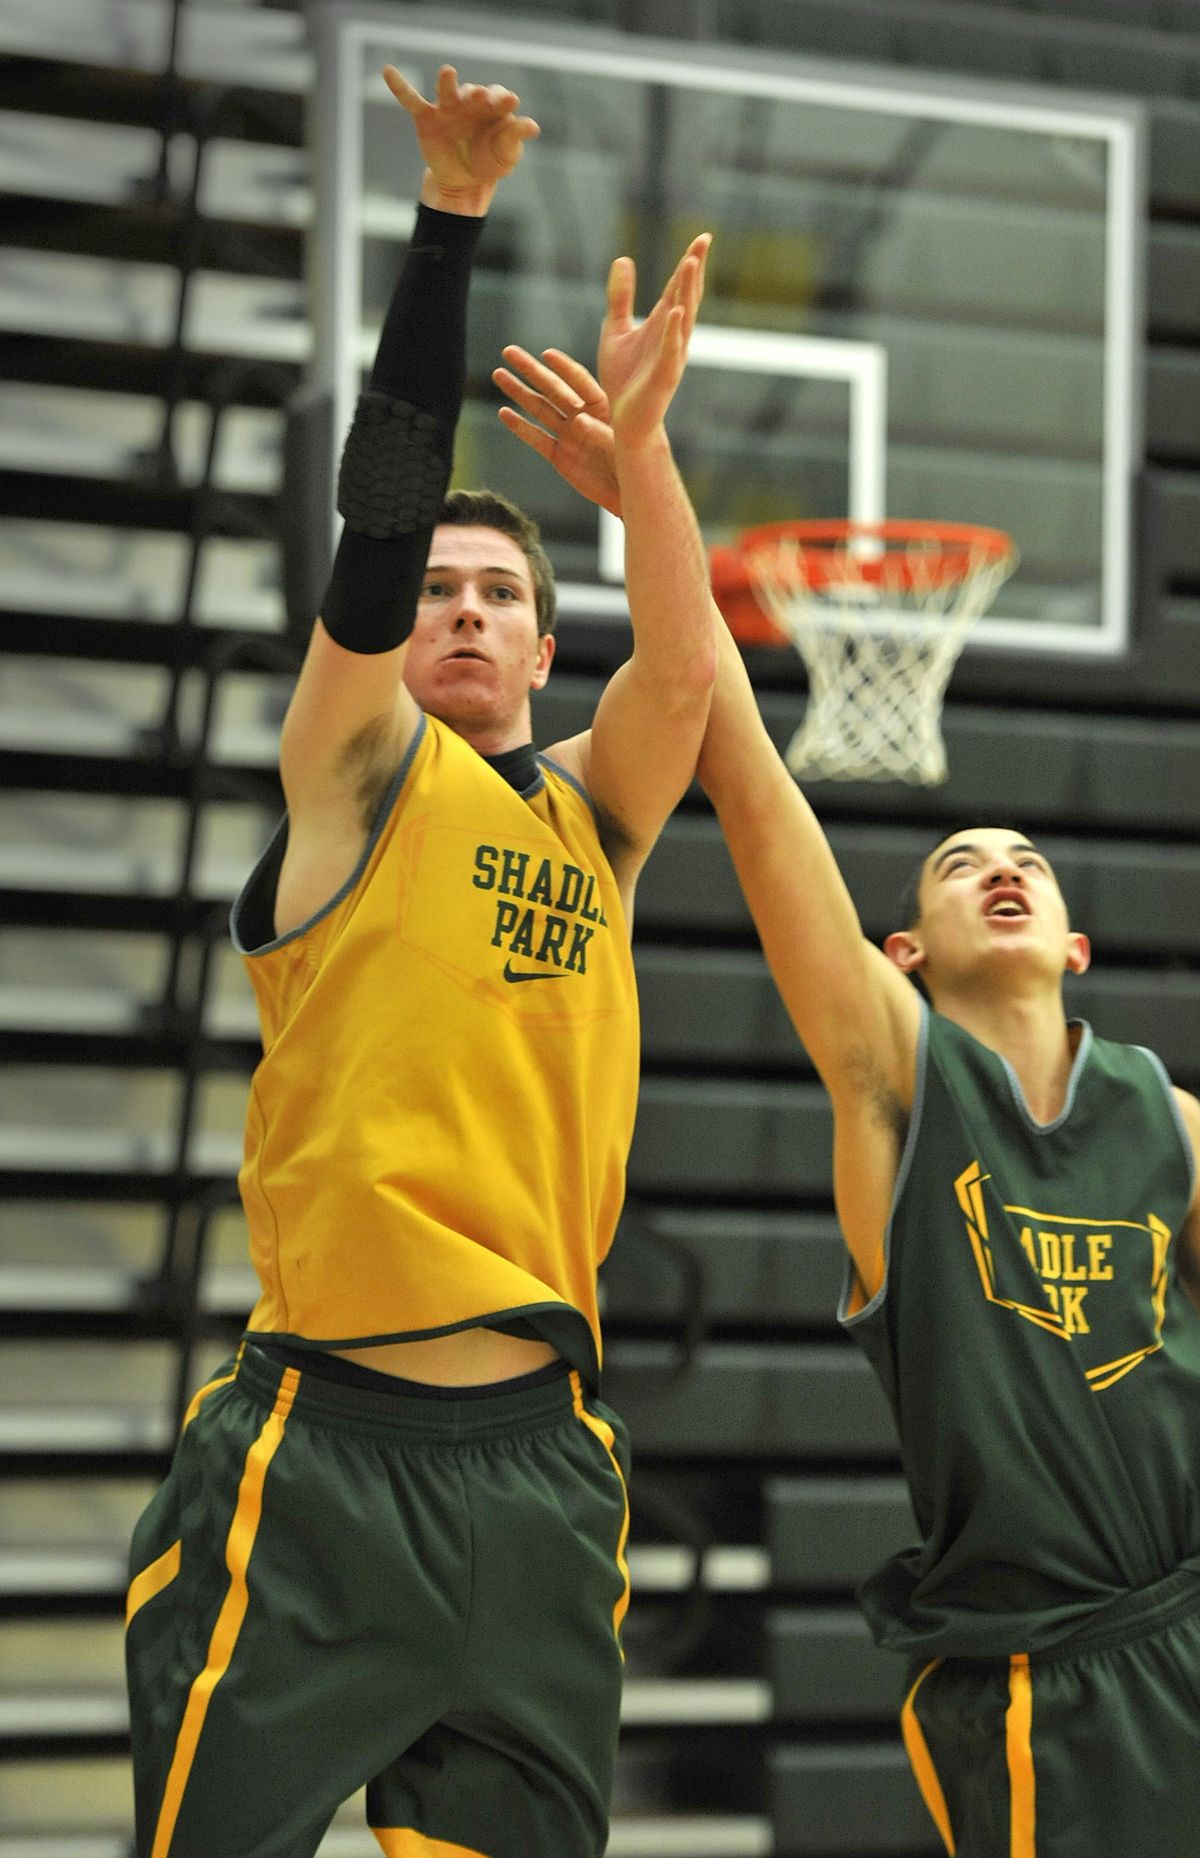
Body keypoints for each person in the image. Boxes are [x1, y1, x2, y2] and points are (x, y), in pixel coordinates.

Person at [495, 343, 1200, 1858]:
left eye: (1028, 860)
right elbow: (746, 782)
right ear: (904, 951)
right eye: (959, 864)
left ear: (1076, 943)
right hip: (1043, 1676)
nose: (999, 866)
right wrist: (654, 503)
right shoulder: (897, 1080)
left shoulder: (1175, 1122)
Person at [124, 63, 716, 1858]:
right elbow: (374, 527)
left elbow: (686, 681)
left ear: (545, 642)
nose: (460, 606)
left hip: (542, 1469)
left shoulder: (596, 827)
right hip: (323, 1460)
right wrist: (449, 219)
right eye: (444, 588)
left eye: (500, 594)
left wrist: (648, 461)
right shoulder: (356, 768)